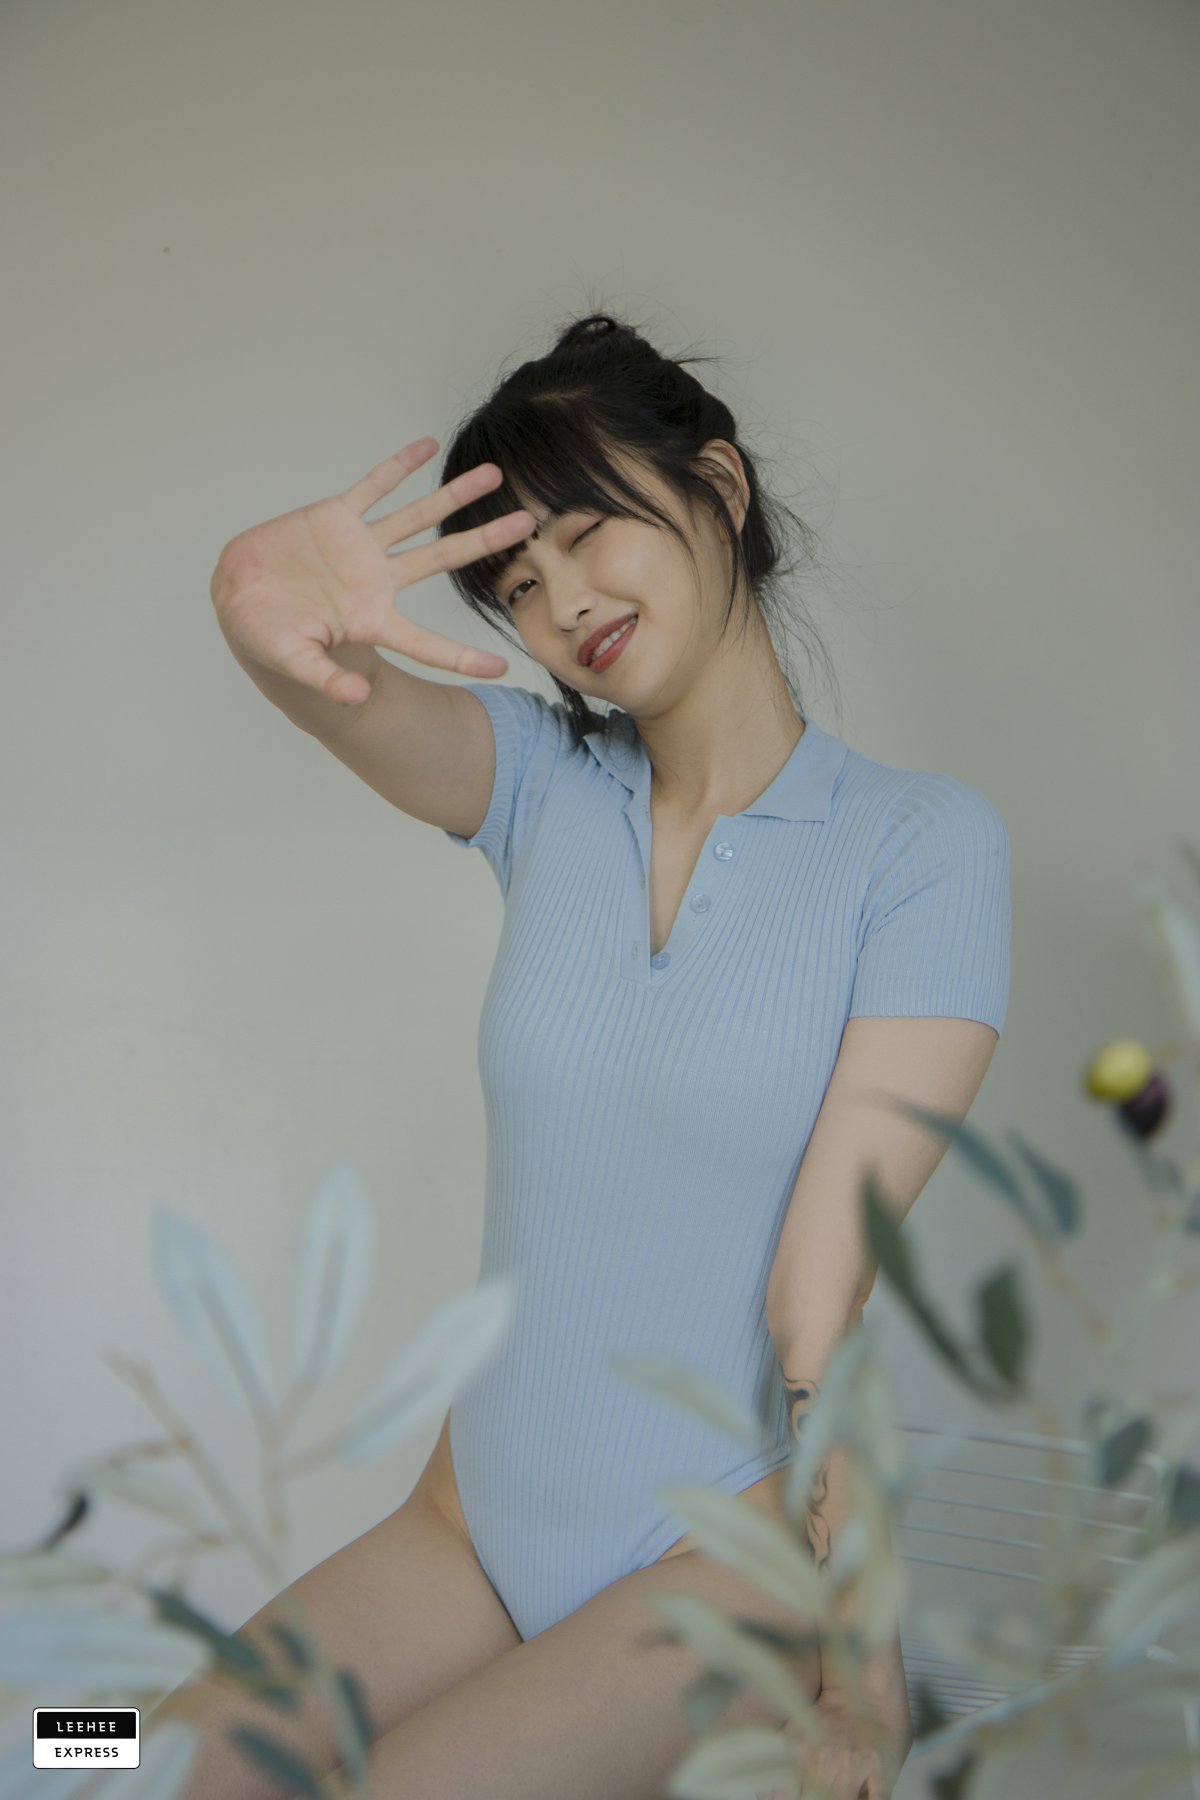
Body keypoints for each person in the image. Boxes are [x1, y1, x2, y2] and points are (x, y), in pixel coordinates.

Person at [164, 313, 1009, 1799]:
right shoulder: (539, 786)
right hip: (471, 1529)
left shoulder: (920, 848)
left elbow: (823, 1303)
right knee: (121, 1754)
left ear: (719, 489)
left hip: (720, 1562)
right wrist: (249, 600)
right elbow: (325, 684)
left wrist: (866, 1690)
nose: (559, 601)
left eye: (585, 531)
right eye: (516, 583)